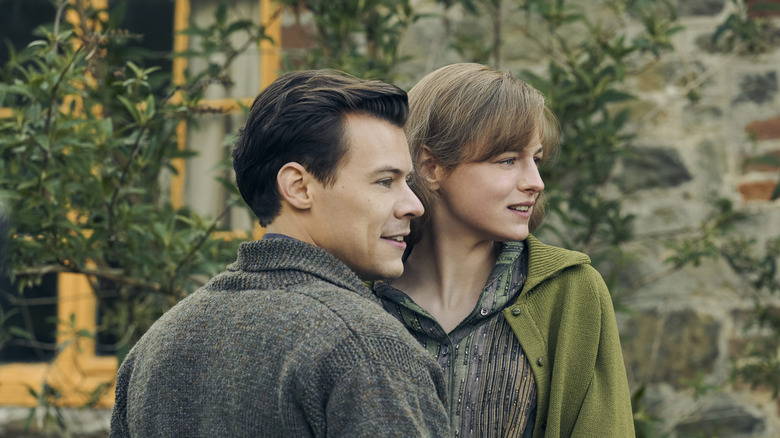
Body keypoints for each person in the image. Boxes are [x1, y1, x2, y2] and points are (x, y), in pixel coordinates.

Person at [110, 70, 451, 437]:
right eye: (385, 181)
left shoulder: (155, 349)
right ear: (299, 187)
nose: (413, 205)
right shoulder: (365, 347)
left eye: (407, 182)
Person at [374, 63, 634, 437]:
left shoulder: (571, 291)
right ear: (431, 166)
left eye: (536, 159)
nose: (535, 182)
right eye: (508, 160)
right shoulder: (365, 300)